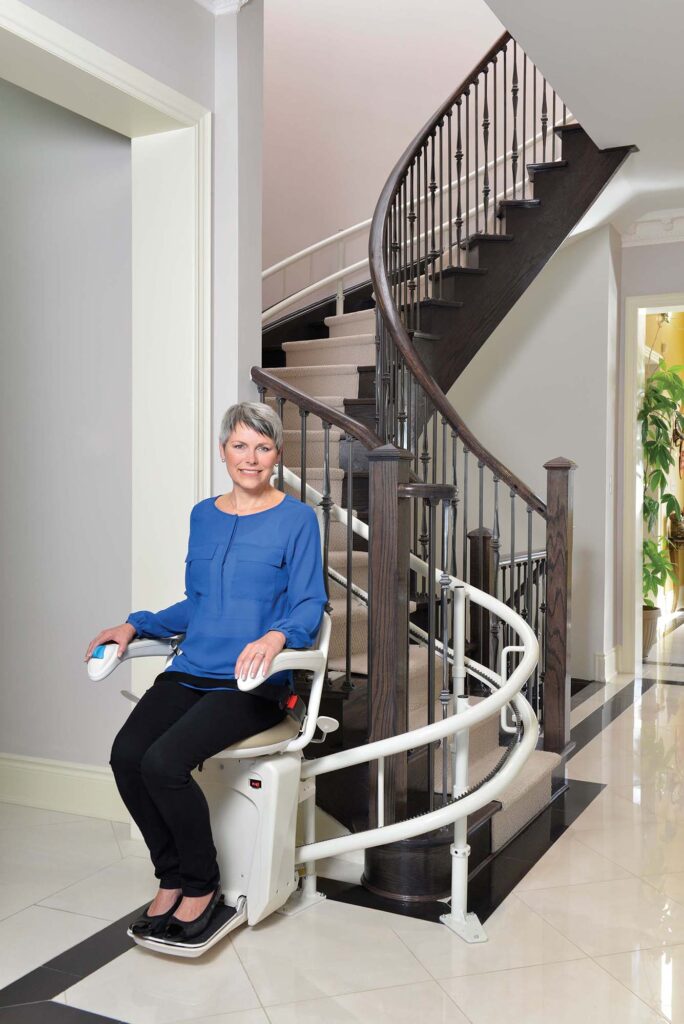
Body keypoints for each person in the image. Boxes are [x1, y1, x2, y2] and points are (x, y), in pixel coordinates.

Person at [85, 402, 327, 944]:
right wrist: (134, 625)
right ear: (223, 452)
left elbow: (311, 601)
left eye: (263, 447)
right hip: (191, 668)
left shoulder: (296, 520)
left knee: (165, 762)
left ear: (276, 455)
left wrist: (274, 636)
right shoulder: (203, 514)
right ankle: (169, 875)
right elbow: (198, 604)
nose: (251, 457)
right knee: (127, 757)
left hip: (252, 683)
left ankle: (200, 883)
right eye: (240, 445)